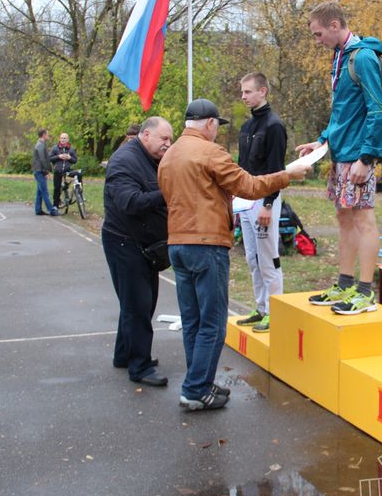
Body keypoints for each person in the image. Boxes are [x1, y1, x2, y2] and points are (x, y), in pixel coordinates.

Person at [159, 98, 311, 411]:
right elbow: (249, 186)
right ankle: (195, 389)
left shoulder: (169, 154)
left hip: (177, 244)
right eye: (217, 126)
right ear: (210, 124)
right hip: (207, 244)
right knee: (213, 322)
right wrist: (288, 174)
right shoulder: (211, 152)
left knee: (193, 321)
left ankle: (199, 380)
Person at [297, 1, 382, 315]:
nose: (317, 40)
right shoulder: (341, 57)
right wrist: (322, 140)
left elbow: (378, 111)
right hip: (340, 153)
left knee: (364, 219)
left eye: (319, 33)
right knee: (344, 219)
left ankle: (365, 292)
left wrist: (367, 157)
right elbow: (344, 111)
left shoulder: (362, 57)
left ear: (335, 25)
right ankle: (345, 283)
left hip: (358, 156)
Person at [102, 117, 173, 387]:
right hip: (124, 242)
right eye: (163, 139)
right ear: (145, 135)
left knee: (137, 302)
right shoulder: (124, 162)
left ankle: (124, 354)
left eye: (170, 139)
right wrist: (167, 193)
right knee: (138, 305)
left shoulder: (149, 158)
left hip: (141, 244)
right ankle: (139, 366)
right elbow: (129, 202)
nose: (168, 144)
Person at [235, 72, 288, 333]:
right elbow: (241, 167)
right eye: (242, 92)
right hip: (244, 200)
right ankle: (260, 308)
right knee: (252, 257)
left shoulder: (274, 126)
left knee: (268, 258)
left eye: (247, 92)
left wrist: (268, 204)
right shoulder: (246, 127)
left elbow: (277, 170)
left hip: (265, 201)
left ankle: (275, 310)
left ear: (263, 91)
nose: (243, 96)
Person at [31, 129, 58, 216]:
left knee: (40, 191)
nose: (48, 136)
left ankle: (38, 210)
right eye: (47, 134)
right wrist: (46, 171)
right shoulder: (40, 145)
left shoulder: (41, 144)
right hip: (40, 171)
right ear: (43, 135)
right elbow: (43, 160)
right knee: (45, 191)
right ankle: (52, 210)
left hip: (39, 170)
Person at [49, 132, 78, 208]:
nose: (63, 140)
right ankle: (55, 205)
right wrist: (59, 156)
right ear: (59, 139)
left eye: (64, 138)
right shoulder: (55, 148)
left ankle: (79, 193)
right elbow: (49, 158)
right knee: (57, 188)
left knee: (79, 174)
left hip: (67, 171)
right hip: (57, 171)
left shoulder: (71, 149)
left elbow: (75, 160)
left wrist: (69, 158)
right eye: (61, 138)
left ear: (68, 139)